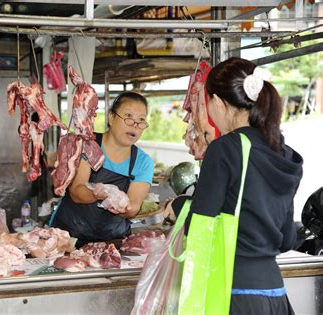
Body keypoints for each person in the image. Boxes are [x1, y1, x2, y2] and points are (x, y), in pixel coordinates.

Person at [167, 57, 303, 314]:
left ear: (218, 102)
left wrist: (178, 205)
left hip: (234, 293)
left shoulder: (226, 149)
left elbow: (200, 225)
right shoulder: (284, 153)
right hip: (275, 294)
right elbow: (286, 240)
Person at [51, 91, 154, 246]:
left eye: (141, 121)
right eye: (128, 117)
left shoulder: (143, 161)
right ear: (111, 118)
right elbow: (76, 192)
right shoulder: (89, 145)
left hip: (112, 243)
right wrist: (98, 194)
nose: (135, 126)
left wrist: (122, 204)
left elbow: (134, 207)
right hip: (69, 238)